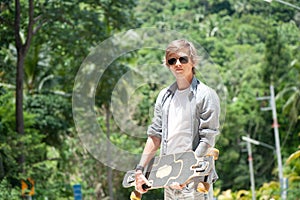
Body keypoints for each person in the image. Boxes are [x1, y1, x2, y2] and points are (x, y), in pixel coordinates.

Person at [134, 39, 220, 200]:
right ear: (168, 65)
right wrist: (140, 169)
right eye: (172, 60)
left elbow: (208, 139)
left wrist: (185, 171)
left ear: (193, 61)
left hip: (195, 181)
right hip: (168, 179)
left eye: (183, 59)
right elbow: (155, 135)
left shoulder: (206, 95)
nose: (177, 64)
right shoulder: (164, 97)